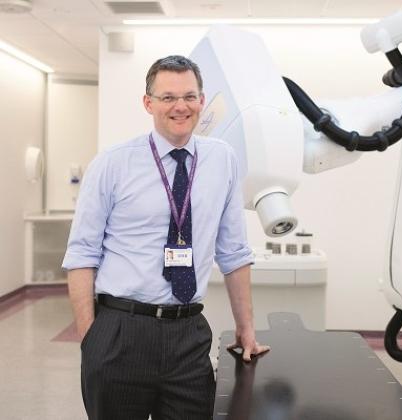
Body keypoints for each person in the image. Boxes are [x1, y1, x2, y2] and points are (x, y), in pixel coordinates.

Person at [63, 55, 270, 420]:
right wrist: (90, 339)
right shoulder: (113, 163)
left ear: (202, 101)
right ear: (148, 103)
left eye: (190, 96)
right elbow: (82, 254)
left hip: (187, 333)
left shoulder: (222, 159)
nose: (180, 106)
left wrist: (246, 328)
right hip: (121, 331)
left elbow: (234, 252)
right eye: (168, 97)